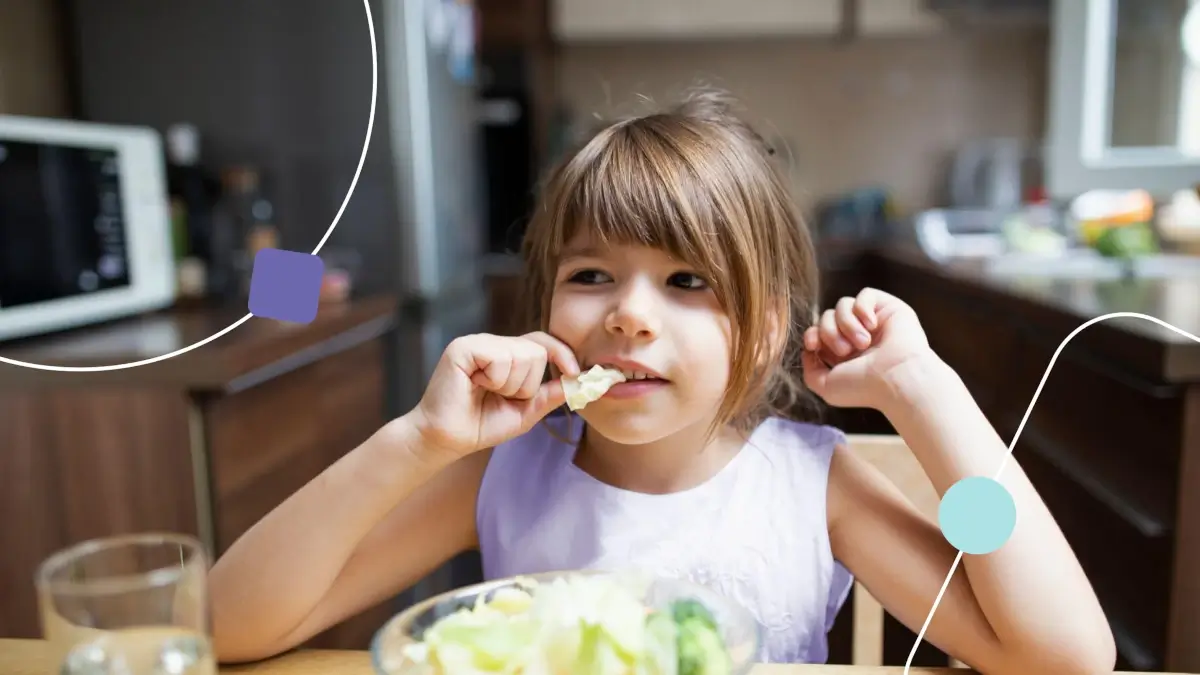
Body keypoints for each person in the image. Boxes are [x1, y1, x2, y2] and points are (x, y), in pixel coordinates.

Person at [208, 89, 1115, 674]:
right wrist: (417, 440)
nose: (629, 314)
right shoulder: (504, 470)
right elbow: (227, 625)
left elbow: (1065, 655)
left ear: (762, 332)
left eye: (688, 282)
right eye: (591, 275)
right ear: (546, 305)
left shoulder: (815, 483)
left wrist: (925, 392)